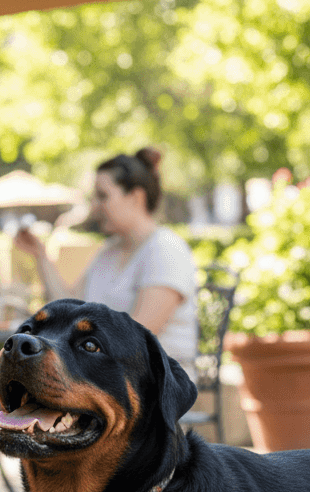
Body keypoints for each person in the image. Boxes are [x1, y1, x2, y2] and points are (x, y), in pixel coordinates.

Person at [13, 147, 198, 375]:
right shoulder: (108, 252)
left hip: (155, 385)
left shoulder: (166, 250)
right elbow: (67, 308)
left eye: (103, 196)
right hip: (106, 375)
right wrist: (40, 255)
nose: (94, 207)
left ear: (135, 197)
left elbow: (137, 341)